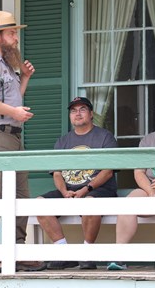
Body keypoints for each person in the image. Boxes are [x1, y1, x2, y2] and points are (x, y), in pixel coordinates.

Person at [0, 11, 46, 274]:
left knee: (20, 194)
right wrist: (14, 113)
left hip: (12, 136)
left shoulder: (5, 65)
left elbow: (11, 102)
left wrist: (23, 78)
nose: (16, 38)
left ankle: (17, 251)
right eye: (12, 33)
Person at [36, 96, 118, 270]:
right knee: (39, 204)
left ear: (90, 114)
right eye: (73, 110)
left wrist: (86, 189)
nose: (77, 114)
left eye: (82, 109)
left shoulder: (104, 137)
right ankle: (63, 252)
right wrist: (65, 191)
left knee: (89, 203)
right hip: (70, 191)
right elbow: (57, 174)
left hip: (99, 190)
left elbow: (108, 171)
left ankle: (87, 254)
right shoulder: (63, 141)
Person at [107, 129, 155, 271]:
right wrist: (150, 191)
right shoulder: (149, 140)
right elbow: (139, 171)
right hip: (151, 189)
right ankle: (119, 256)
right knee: (128, 203)